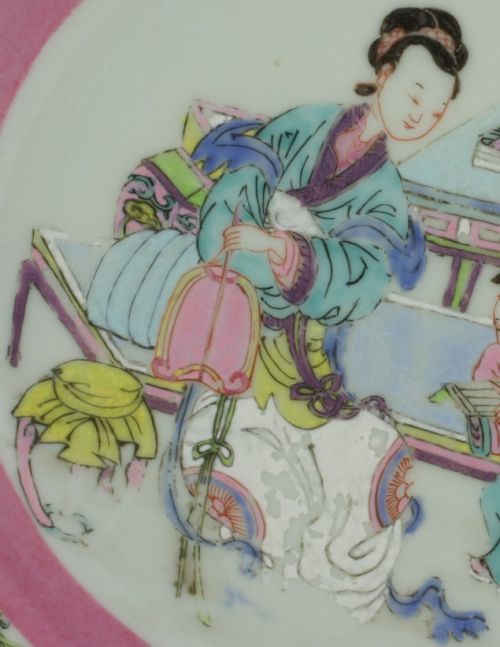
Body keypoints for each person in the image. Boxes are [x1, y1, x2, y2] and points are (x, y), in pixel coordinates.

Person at [86, 6, 468, 621]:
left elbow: (365, 278)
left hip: (301, 353)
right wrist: (258, 253)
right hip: (227, 318)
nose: (419, 113)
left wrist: (284, 251)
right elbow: (234, 197)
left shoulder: (385, 194)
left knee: (361, 461)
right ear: (386, 72)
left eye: (436, 109)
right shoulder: (303, 124)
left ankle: (307, 602)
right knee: (247, 467)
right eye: (415, 91)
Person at [469, 285, 500, 585]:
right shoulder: (494, 352)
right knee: (492, 500)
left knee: (494, 500)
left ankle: (495, 566)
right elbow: (481, 384)